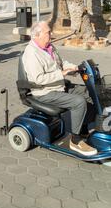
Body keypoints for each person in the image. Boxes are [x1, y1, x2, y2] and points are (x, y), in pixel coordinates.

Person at [22, 21, 97, 157]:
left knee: (89, 92)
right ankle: (75, 140)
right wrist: (61, 74)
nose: (51, 34)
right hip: (44, 92)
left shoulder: (49, 47)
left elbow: (61, 64)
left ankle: (83, 129)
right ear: (37, 35)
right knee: (78, 102)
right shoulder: (31, 53)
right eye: (48, 32)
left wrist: (75, 68)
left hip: (59, 85)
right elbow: (38, 79)